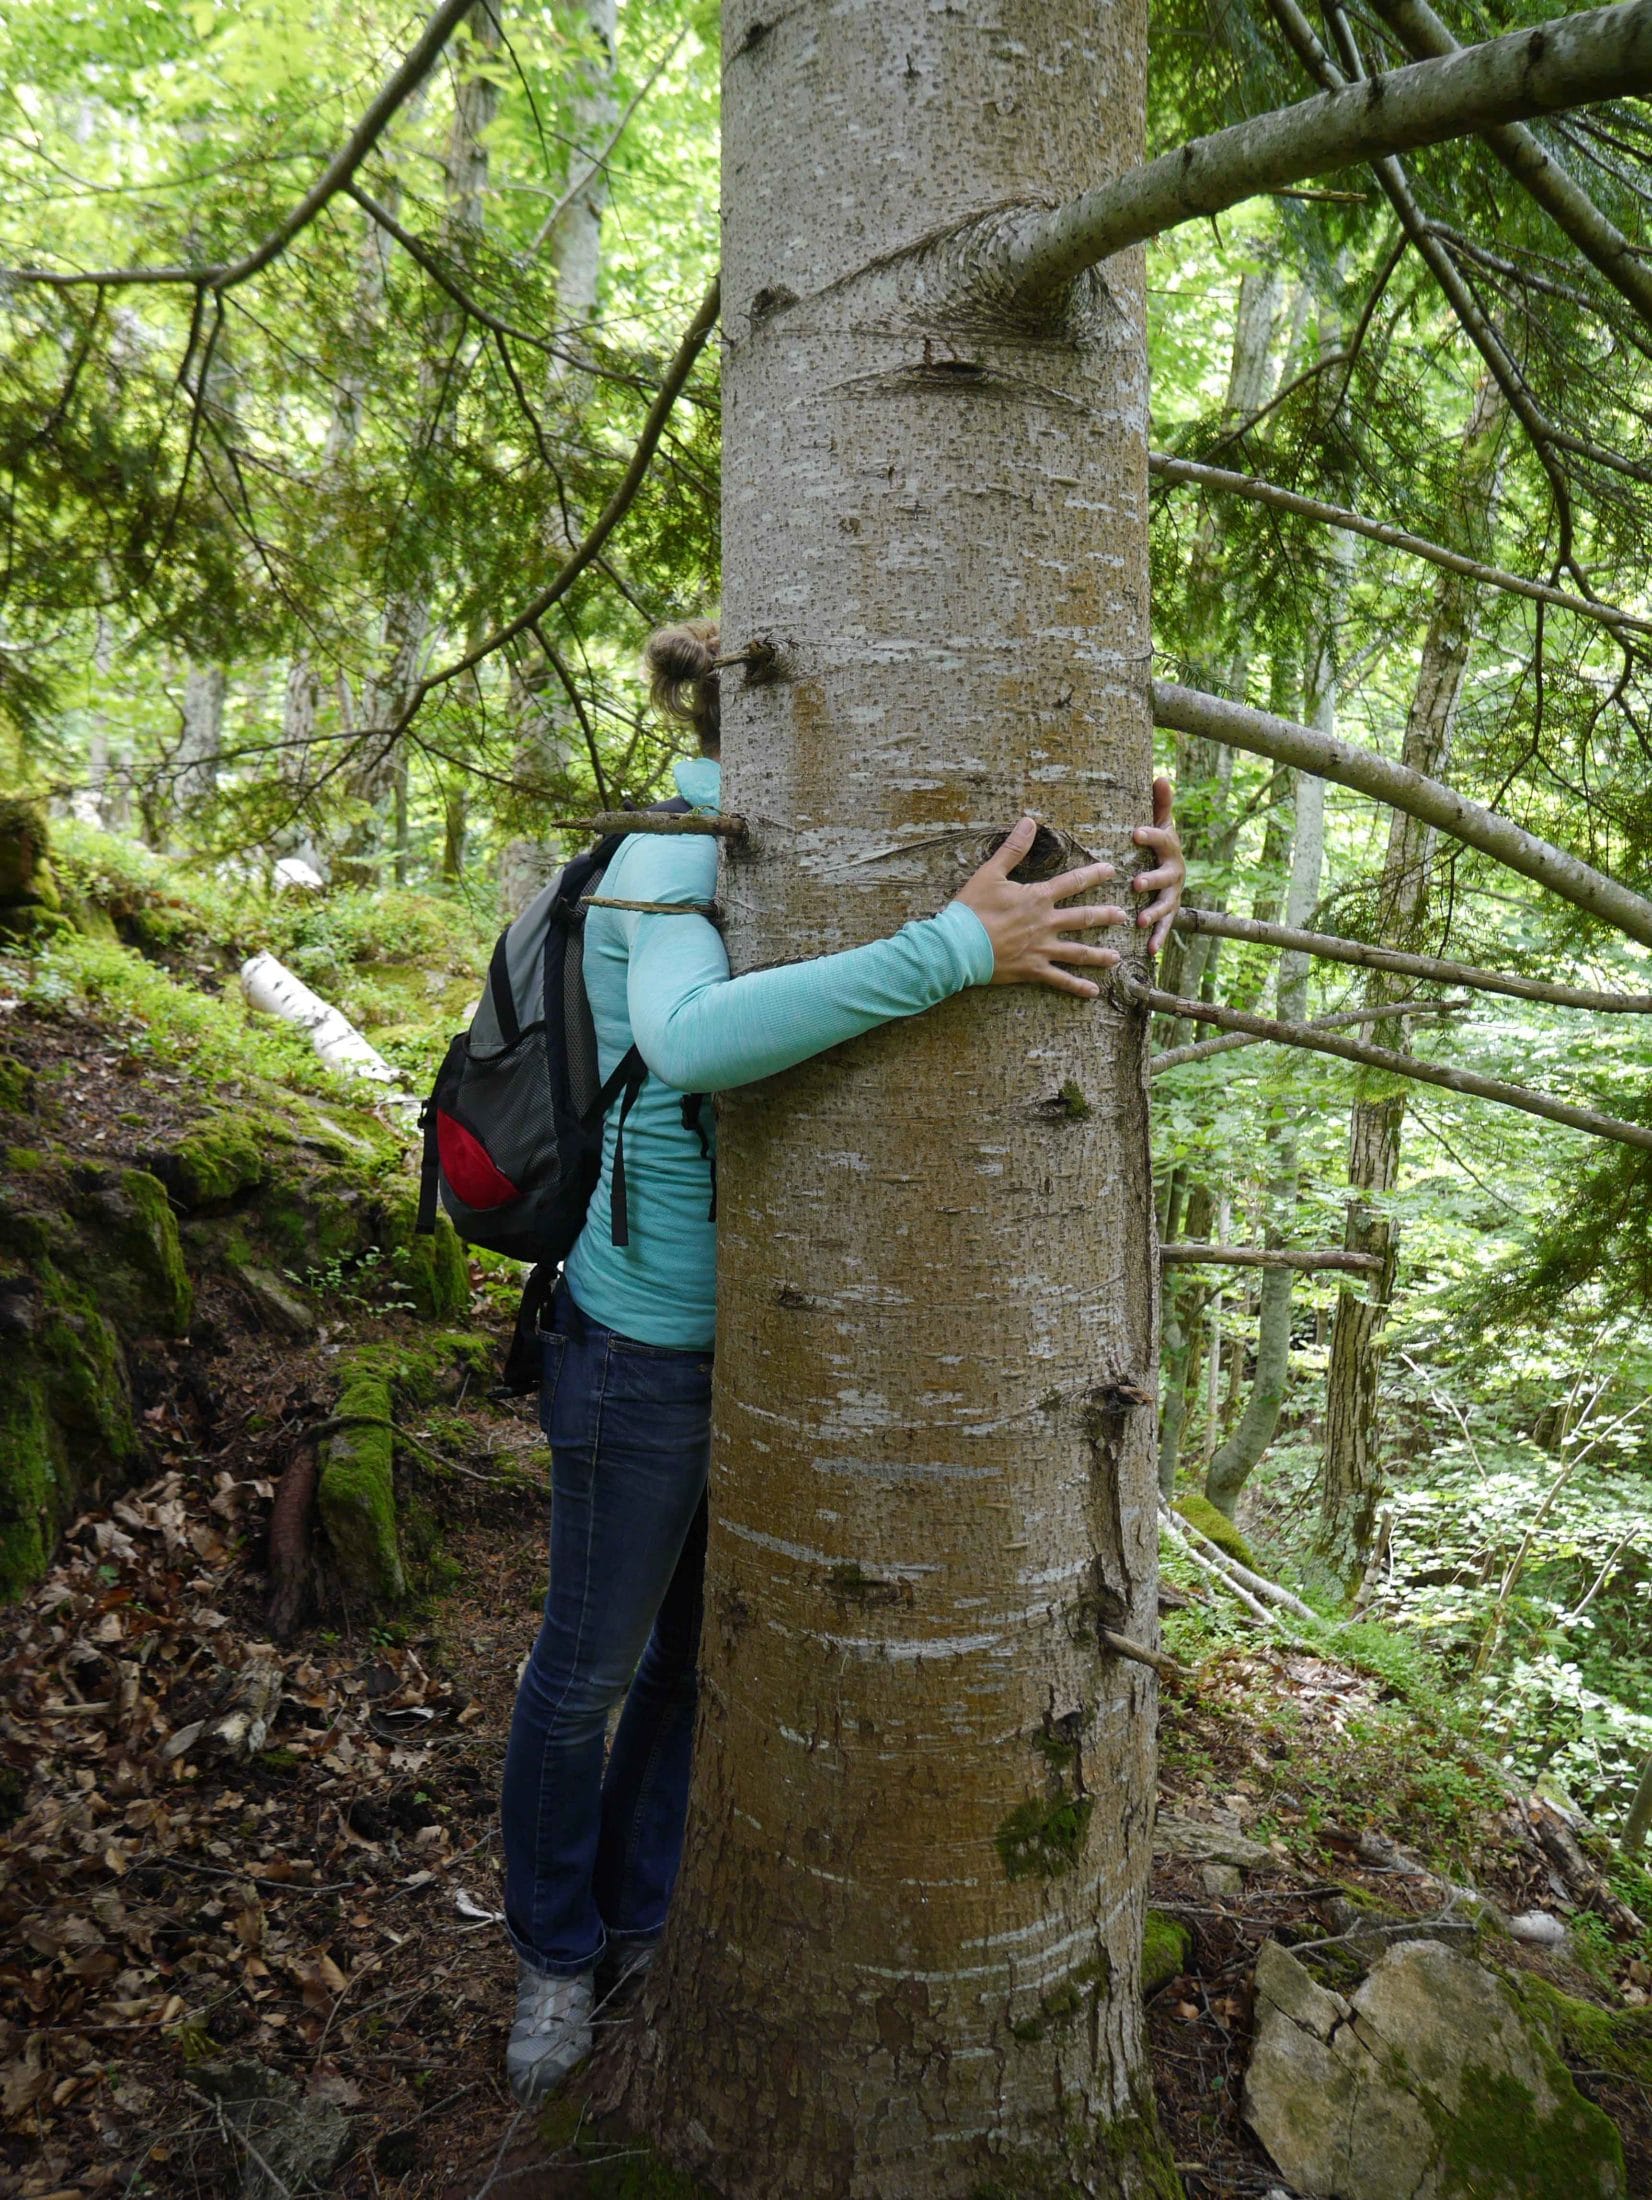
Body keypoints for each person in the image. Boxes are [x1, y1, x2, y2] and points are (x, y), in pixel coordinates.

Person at [499, 619, 1186, 2103]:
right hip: (644, 1351)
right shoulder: (671, 855)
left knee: (697, 1663)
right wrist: (957, 945)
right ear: (735, 724)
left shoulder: (799, 849)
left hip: (786, 1352)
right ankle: (552, 1953)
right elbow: (684, 1042)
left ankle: (635, 1918)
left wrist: (1133, 901)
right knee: (590, 1667)